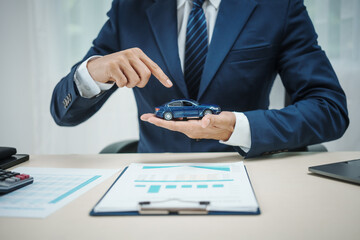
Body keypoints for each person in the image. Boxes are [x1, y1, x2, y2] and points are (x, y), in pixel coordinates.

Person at [50, 0, 349, 158]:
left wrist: (239, 126)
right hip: (151, 178)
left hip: (248, 170)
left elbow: (329, 108)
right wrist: (92, 72)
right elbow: (63, 113)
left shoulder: (278, 6)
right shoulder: (129, 8)